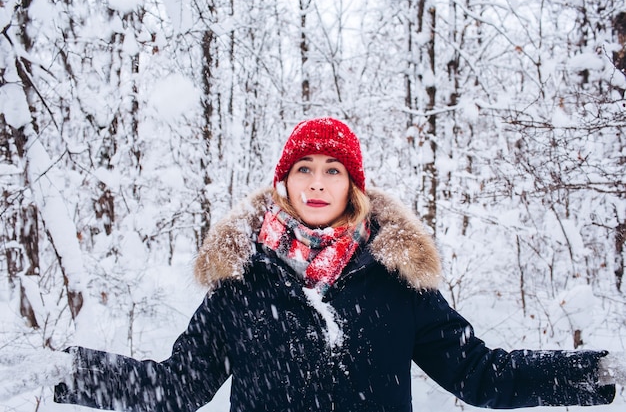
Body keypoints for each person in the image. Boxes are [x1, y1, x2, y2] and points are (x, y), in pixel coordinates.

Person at [48, 117, 622, 411]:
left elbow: (478, 372)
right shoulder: (241, 281)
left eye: (332, 170)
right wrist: (72, 374)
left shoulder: (396, 279)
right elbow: (176, 387)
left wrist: (590, 375)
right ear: (284, 183)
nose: (317, 183)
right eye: (304, 169)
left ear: (354, 187)